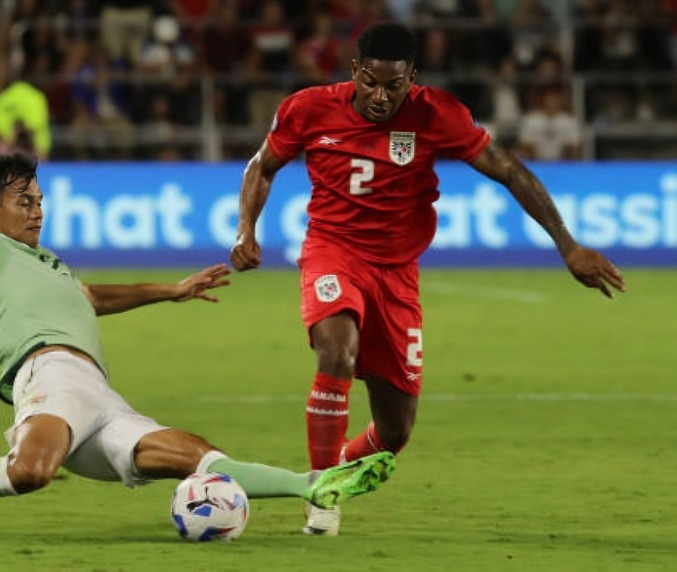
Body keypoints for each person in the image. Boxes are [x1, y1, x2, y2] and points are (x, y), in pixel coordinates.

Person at [0, 52, 395, 539]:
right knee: (30, 472)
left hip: (97, 394)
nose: (38, 211)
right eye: (24, 202)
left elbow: (91, 297)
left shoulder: (50, 265)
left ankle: (314, 483)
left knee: (195, 454)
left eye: (40, 200)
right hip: (46, 375)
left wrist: (171, 290)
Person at [229, 22, 627, 537]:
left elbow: (509, 170)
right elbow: (262, 167)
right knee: (336, 350)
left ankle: (340, 465)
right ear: (354, 70)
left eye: (394, 86)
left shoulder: (437, 113)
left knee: (394, 431)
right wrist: (246, 230)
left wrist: (567, 244)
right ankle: (321, 490)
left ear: (411, 78)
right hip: (333, 251)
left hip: (397, 273)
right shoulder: (307, 108)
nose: (380, 96)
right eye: (370, 82)